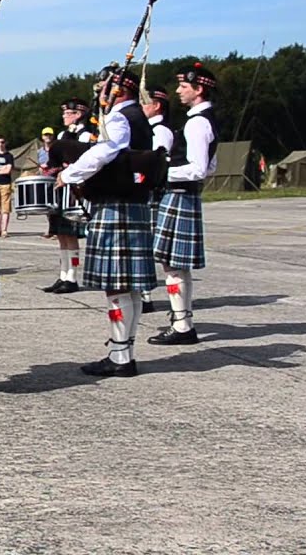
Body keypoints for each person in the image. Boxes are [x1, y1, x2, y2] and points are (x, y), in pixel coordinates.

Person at [57, 66, 157, 377]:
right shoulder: (140, 118)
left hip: (116, 206)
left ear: (118, 90)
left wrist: (69, 173)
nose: (99, 92)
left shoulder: (118, 117)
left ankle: (120, 356)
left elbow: (105, 151)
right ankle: (122, 351)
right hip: (134, 204)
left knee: (117, 288)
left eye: (103, 87)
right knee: (130, 289)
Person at [149, 64, 218, 346]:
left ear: (198, 89)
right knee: (174, 265)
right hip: (181, 195)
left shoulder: (197, 122)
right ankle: (182, 321)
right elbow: (211, 166)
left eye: (184, 86)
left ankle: (182, 325)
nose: (178, 91)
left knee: (173, 266)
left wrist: (161, 171)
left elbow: (199, 168)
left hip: (179, 194)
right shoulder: (202, 119)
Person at [41, 98, 95, 293]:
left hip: (74, 189)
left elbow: (87, 161)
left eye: (67, 113)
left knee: (71, 234)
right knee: (61, 234)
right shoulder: (62, 135)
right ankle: (63, 275)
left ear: (78, 114)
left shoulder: (86, 135)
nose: (63, 116)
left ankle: (72, 277)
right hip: (60, 187)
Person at [138, 85, 174, 313]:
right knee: (141, 245)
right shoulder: (147, 129)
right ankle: (143, 295)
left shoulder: (160, 131)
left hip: (153, 193)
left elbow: (157, 165)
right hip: (144, 192)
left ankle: (148, 296)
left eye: (144, 102)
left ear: (157, 105)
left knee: (149, 246)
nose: (140, 106)